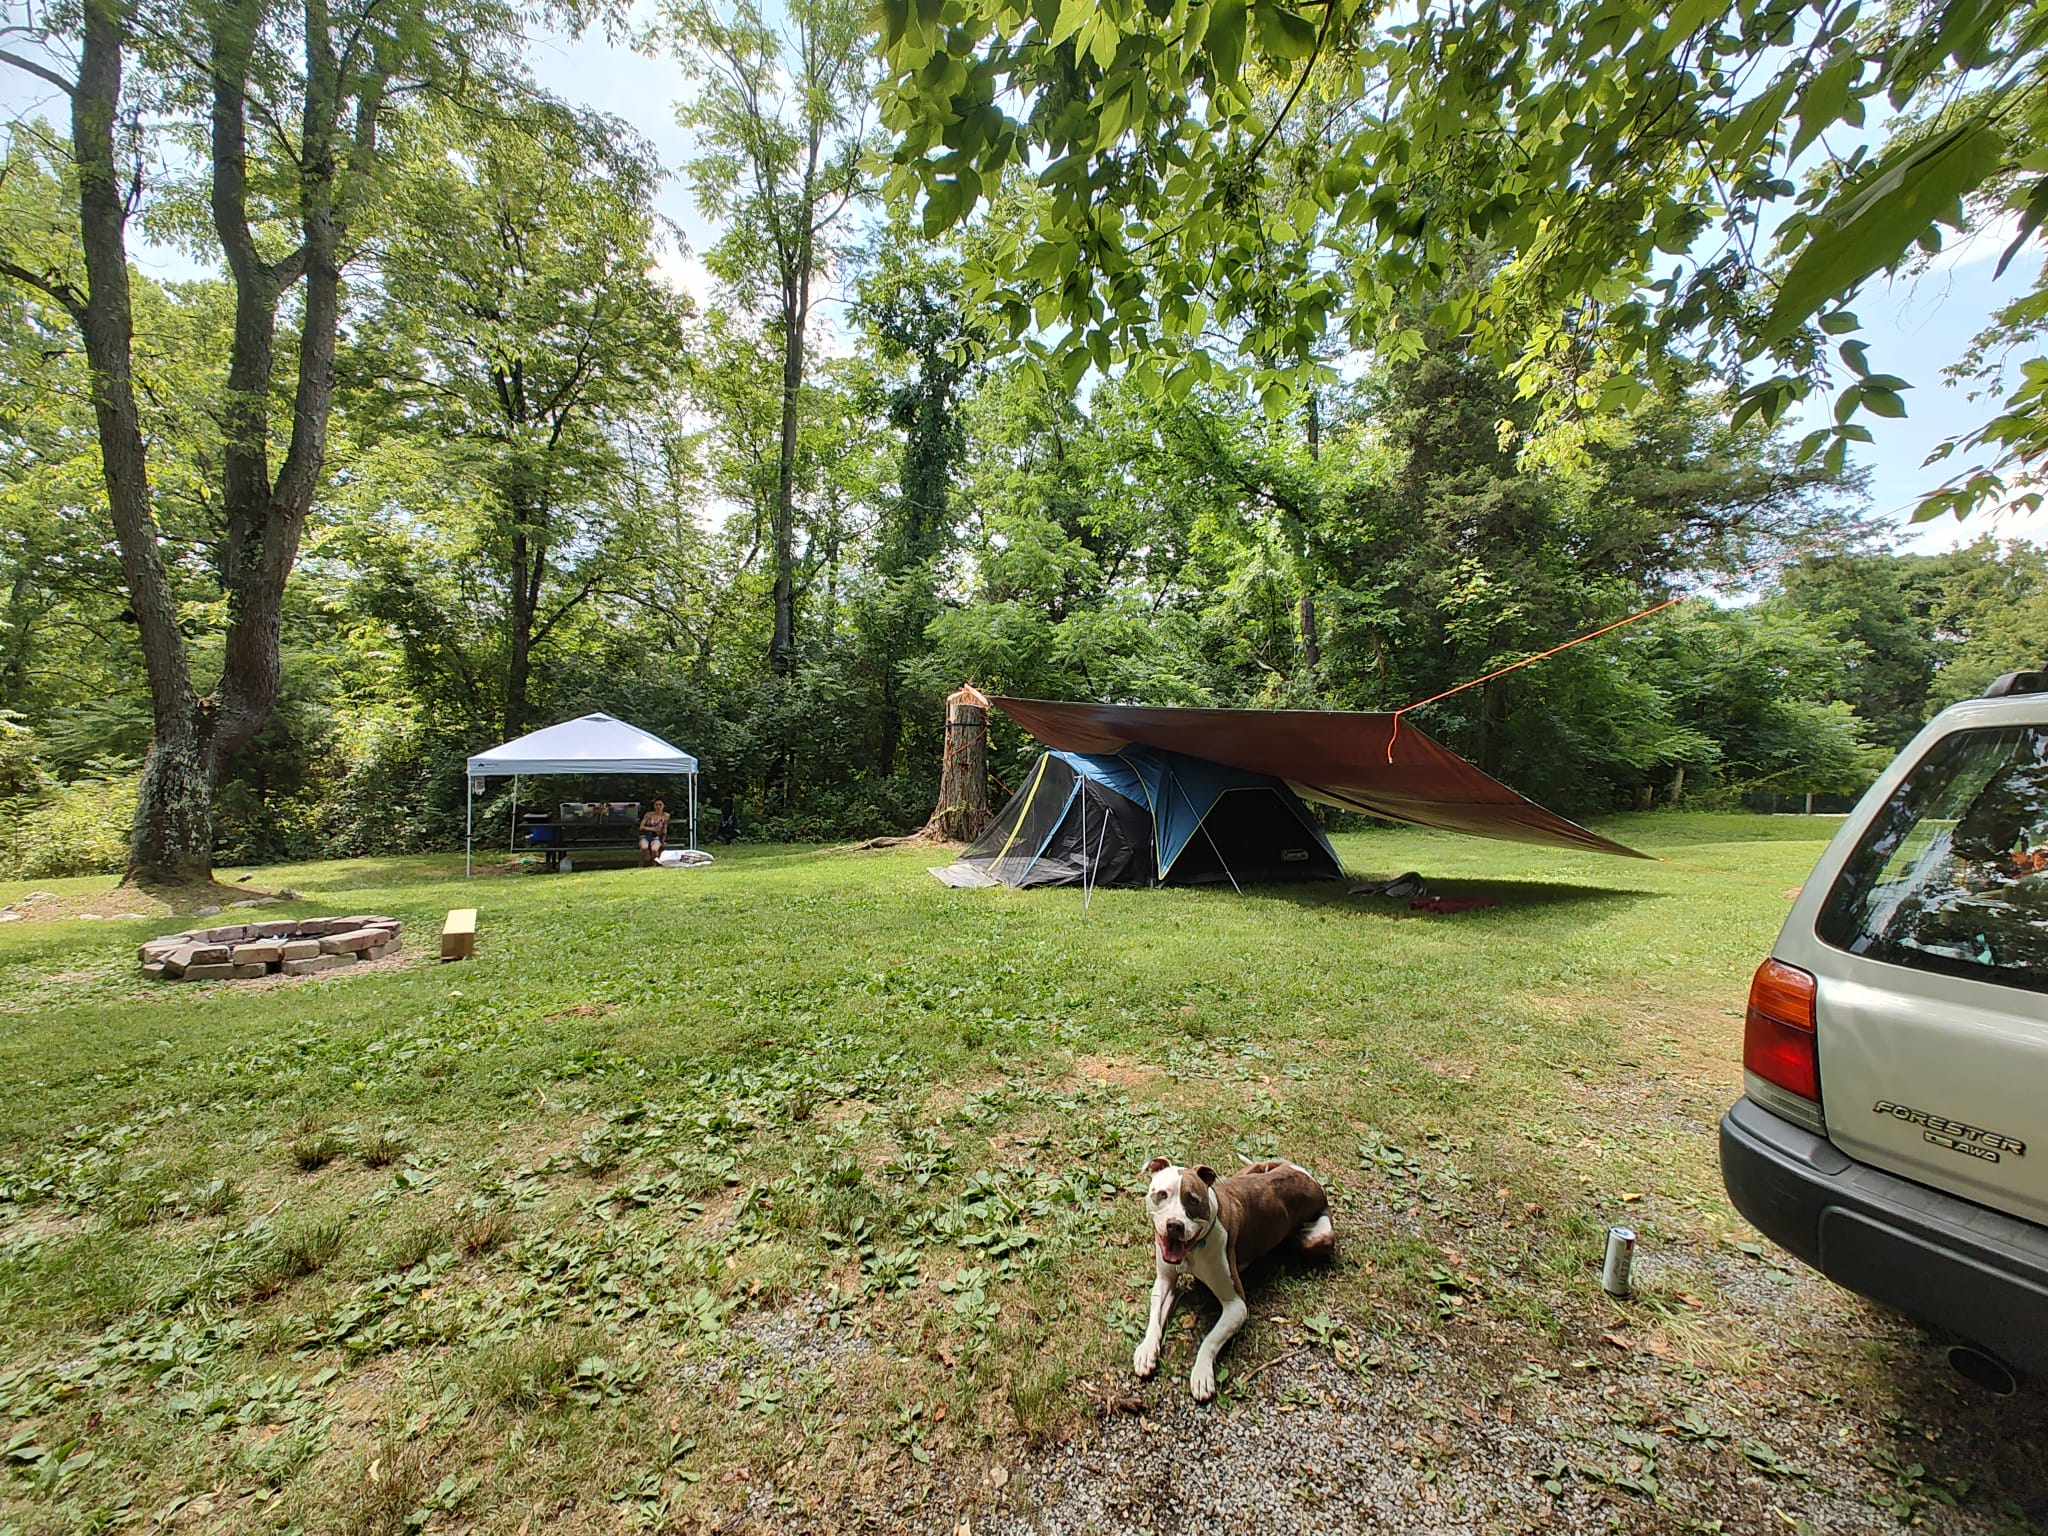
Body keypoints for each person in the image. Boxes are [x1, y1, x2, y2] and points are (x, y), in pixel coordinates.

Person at [638, 799, 671, 866]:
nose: (658, 807)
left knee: (654, 849)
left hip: (656, 837)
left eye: (660, 805)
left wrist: (663, 840)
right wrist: (653, 829)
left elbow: (664, 828)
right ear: (654, 806)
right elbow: (641, 827)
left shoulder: (665, 816)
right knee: (644, 847)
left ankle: (653, 864)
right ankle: (640, 864)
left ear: (663, 806)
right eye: (656, 805)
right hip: (645, 835)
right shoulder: (648, 815)